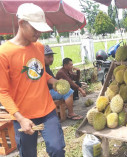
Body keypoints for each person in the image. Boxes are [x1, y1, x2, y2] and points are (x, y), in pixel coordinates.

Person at [0, 3, 65, 157]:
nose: (38, 33)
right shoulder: (4, 53)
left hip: (47, 110)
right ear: (21, 23)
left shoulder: (39, 47)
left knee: (57, 149)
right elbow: (2, 92)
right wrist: (20, 118)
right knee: (28, 154)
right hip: (23, 114)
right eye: (35, 29)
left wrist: (53, 82)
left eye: (40, 30)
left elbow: (40, 73)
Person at [44, 45, 83, 120]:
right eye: (48, 57)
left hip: (52, 89)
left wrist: (78, 71)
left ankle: (69, 107)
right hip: (47, 92)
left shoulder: (46, 67)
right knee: (69, 91)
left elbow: (75, 79)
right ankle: (71, 113)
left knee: (74, 86)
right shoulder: (59, 72)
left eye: (52, 57)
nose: (51, 59)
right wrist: (80, 89)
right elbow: (70, 82)